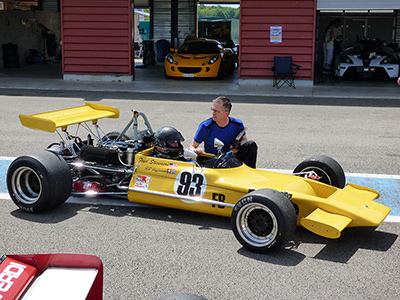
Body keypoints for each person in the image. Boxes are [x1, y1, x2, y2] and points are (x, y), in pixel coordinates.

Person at [189, 96, 257, 168]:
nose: (213, 114)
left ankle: (250, 172)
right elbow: (192, 146)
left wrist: (237, 147)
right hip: (215, 160)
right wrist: (196, 150)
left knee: (251, 144)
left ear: (226, 113)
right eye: (213, 110)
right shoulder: (205, 126)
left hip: (233, 158)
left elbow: (244, 139)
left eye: (216, 111)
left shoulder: (237, 124)